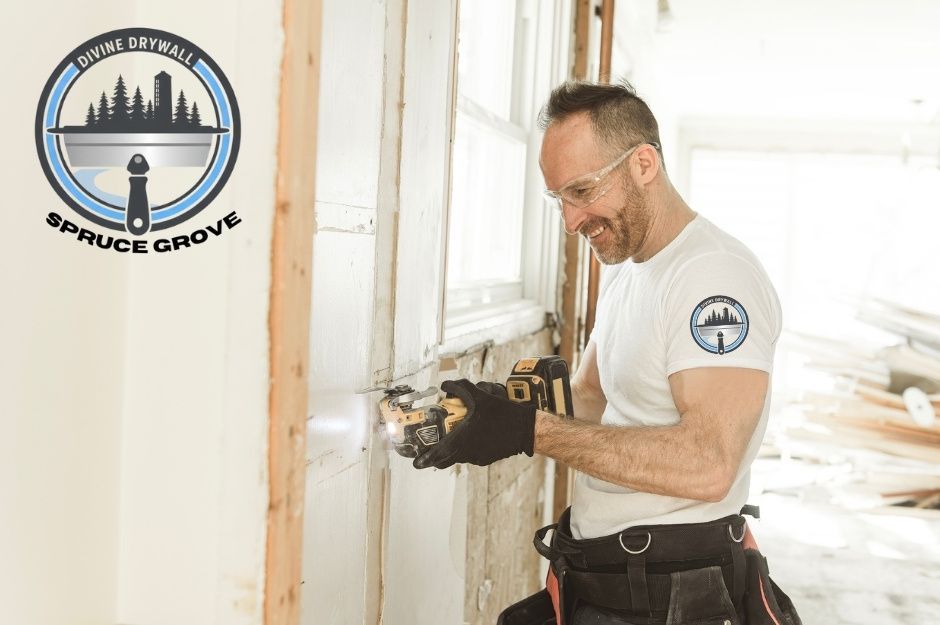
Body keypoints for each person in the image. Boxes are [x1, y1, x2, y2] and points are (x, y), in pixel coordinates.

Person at [413, 81, 801, 625]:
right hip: (608, 580)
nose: (571, 221)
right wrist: (488, 412)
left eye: (582, 190)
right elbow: (592, 398)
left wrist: (530, 431)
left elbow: (709, 464)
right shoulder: (631, 272)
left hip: (674, 594)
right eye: (560, 200)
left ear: (643, 163)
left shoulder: (713, 278)